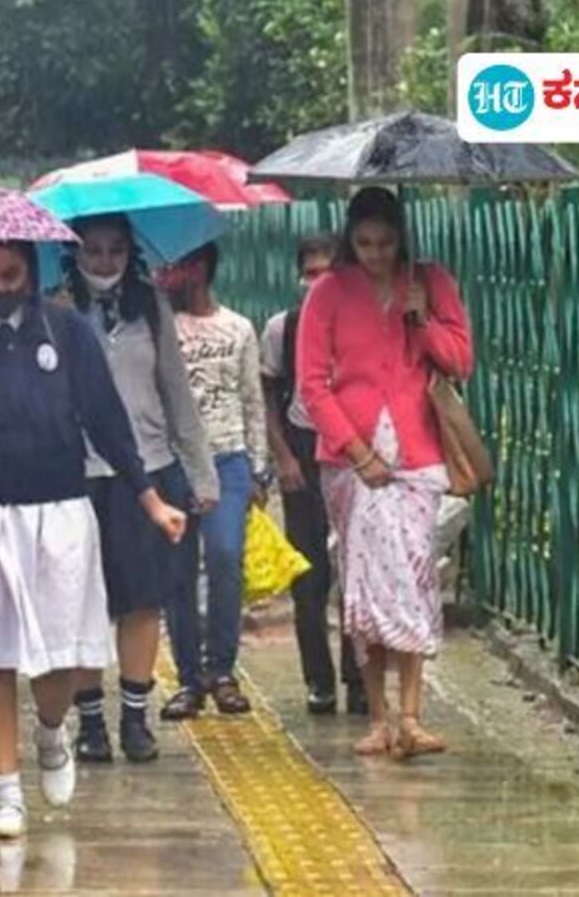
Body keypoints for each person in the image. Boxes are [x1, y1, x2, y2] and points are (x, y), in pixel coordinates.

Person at [0, 240, 188, 839]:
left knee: (60, 655)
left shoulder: (67, 332)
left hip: (58, 508)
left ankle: (52, 731)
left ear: (29, 273)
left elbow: (108, 423)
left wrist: (151, 500)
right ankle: (7, 790)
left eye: (8, 274)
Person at [296, 186, 473, 758]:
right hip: (353, 465)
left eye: (386, 242)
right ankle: (377, 715)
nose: (376, 253)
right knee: (365, 584)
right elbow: (312, 384)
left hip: (418, 456)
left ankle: (413, 713)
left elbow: (461, 361)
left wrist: (422, 321)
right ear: (351, 240)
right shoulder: (328, 293)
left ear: (401, 238)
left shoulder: (431, 282)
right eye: (365, 243)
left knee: (415, 577)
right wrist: (357, 451)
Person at [53, 215, 218, 764]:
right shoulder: (56, 310)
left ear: (131, 253)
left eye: (115, 251)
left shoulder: (151, 307)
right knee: (82, 603)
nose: (104, 262)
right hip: (76, 474)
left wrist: (201, 475)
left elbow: (176, 393)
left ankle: (135, 717)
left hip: (147, 471)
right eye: (93, 251)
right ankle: (91, 721)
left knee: (143, 600)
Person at [159, 242, 271, 719]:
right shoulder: (159, 327)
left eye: (177, 265)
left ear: (199, 267)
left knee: (226, 557)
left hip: (228, 458)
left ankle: (222, 668)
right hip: (172, 460)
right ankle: (188, 677)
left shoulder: (239, 328)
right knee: (177, 572)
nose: (168, 276)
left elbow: (251, 398)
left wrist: (258, 466)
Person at [260, 236, 365, 717]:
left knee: (357, 570)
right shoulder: (283, 329)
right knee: (309, 575)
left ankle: (359, 676)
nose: (318, 282)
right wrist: (282, 457)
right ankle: (318, 680)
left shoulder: (362, 324)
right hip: (303, 450)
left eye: (328, 272)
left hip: (353, 451)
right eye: (310, 273)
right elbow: (269, 397)